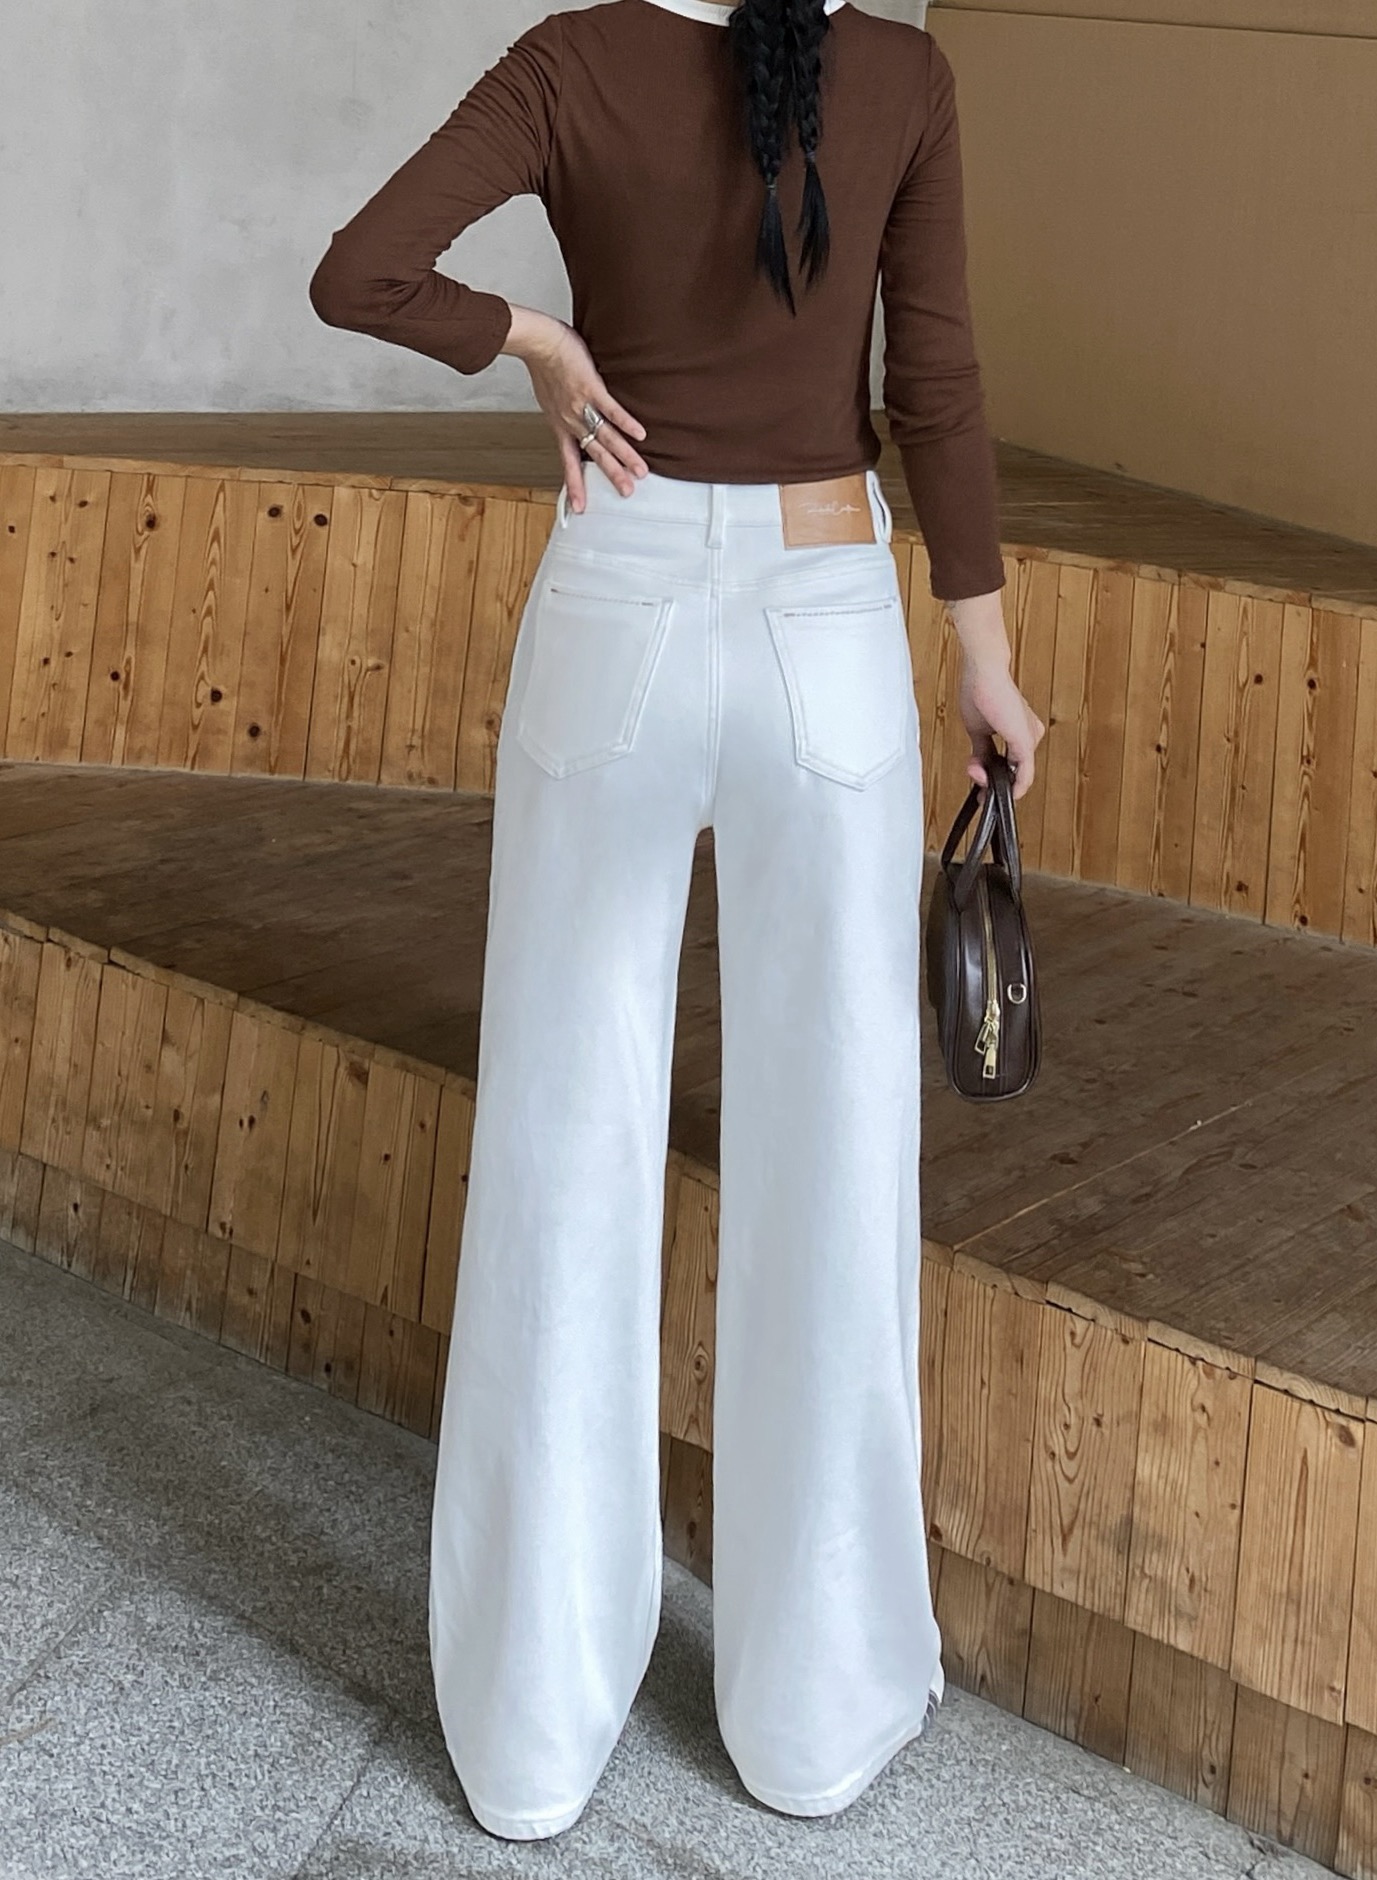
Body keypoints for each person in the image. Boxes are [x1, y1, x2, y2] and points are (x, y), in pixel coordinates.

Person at [308, 0, 1046, 1842]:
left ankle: (528, 1734)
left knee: (560, 1153)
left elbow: (360, 272)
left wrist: (539, 342)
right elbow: (935, 384)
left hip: (613, 596)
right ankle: (812, 1716)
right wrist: (984, 662)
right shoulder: (902, 75)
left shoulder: (572, 59)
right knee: (834, 1164)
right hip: (825, 622)